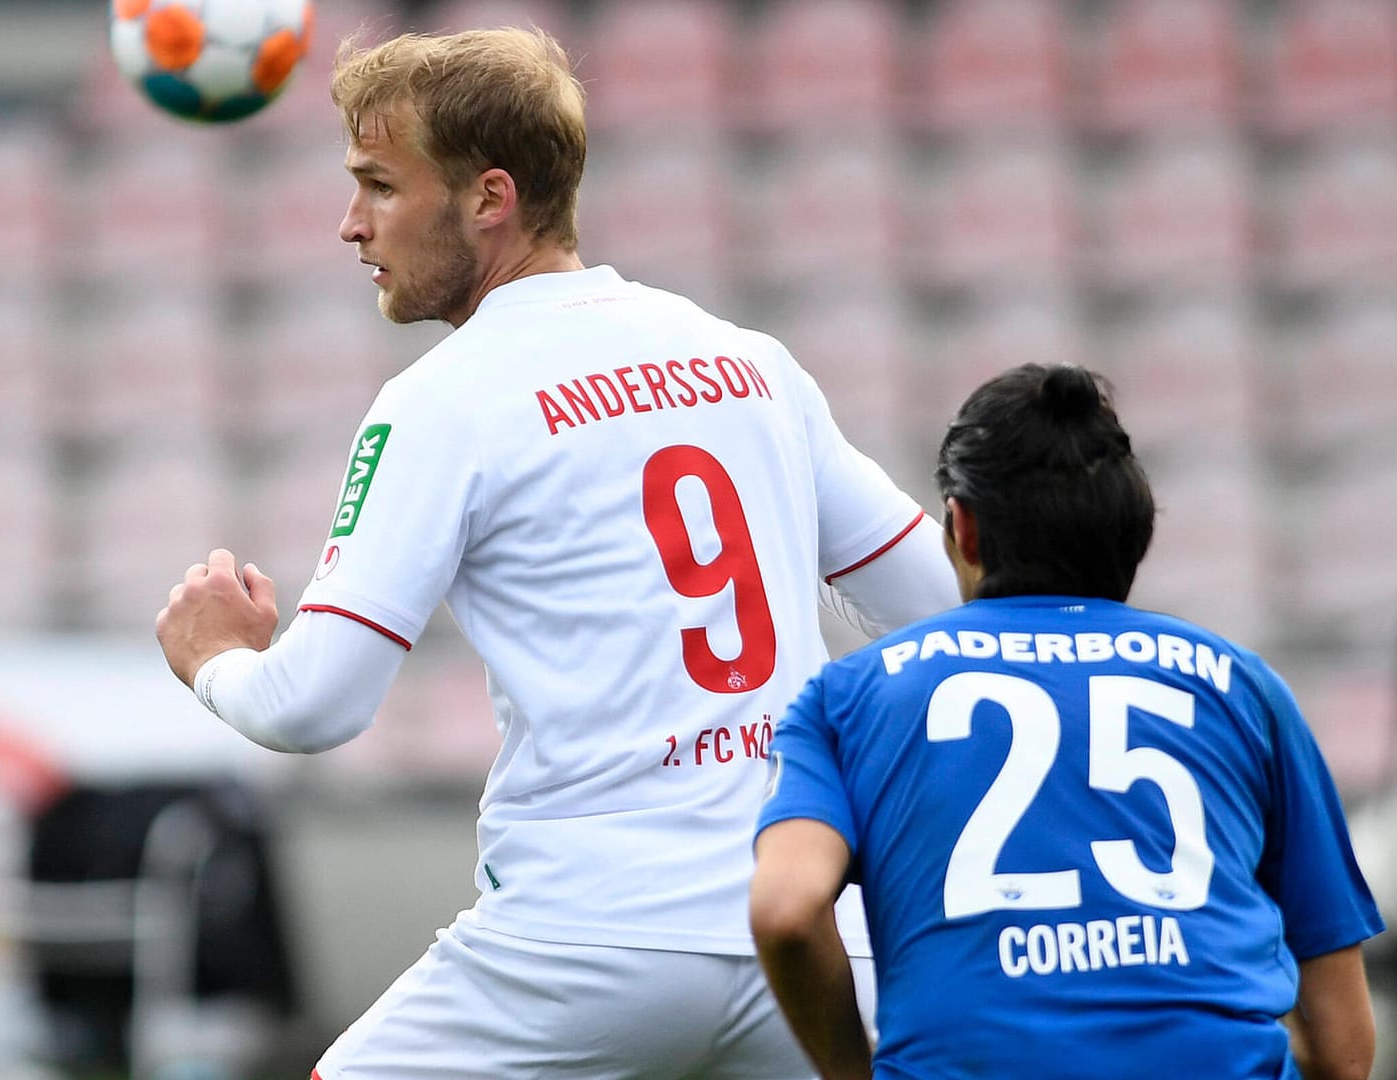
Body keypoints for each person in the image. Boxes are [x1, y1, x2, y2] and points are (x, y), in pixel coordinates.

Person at [154, 26, 960, 1080]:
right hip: (808, 935)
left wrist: (214, 658)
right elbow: (947, 601)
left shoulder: (445, 400)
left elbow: (313, 705)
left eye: (379, 187)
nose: (350, 226)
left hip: (586, 944)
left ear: (491, 198)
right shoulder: (750, 363)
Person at [750, 363, 1384, 1080]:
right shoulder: (1242, 686)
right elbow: (1344, 1045)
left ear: (961, 525)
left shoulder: (848, 695)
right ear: (1134, 530)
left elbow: (787, 910)